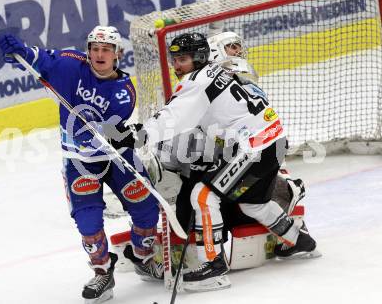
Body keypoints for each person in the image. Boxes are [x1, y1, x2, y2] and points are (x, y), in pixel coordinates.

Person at [111, 32, 319, 292]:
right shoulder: (214, 73)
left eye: (183, 59)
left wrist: (134, 136)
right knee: (254, 204)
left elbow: (171, 118)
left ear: (199, 58)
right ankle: (300, 241)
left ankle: (213, 267)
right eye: (174, 60)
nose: (176, 66)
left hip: (254, 147)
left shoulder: (197, 82)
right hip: (273, 142)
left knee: (202, 195)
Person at [0, 26, 163, 304]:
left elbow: (110, 130)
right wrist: (19, 52)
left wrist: (107, 131)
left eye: (106, 50)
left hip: (115, 156)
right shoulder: (70, 64)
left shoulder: (124, 92)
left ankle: (143, 257)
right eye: (95, 49)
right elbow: (40, 60)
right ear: (88, 51)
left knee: (146, 207)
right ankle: (102, 272)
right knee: (87, 222)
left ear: (117, 55)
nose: (100, 54)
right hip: (80, 161)